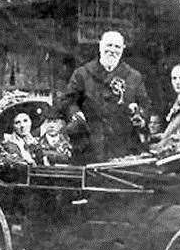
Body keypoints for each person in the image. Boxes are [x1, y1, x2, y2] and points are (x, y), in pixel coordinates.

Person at [58, 31, 151, 162]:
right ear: (100, 46)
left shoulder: (134, 77)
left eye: (117, 47)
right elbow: (67, 101)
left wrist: (140, 115)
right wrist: (76, 114)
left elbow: (145, 104)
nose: (112, 50)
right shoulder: (82, 74)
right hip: (89, 144)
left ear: (123, 49)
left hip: (123, 146)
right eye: (109, 45)